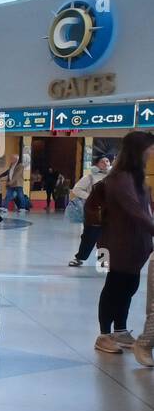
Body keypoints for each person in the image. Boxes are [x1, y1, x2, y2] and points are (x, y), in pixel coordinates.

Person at [93, 131, 154, 356]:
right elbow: (135, 211)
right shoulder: (120, 178)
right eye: (150, 148)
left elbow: (146, 210)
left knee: (129, 286)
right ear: (138, 150)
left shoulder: (136, 177)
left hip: (134, 245)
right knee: (114, 287)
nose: (152, 152)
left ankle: (120, 330)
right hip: (113, 245)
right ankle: (104, 335)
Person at [70, 154, 113, 266]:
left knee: (106, 237)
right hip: (94, 212)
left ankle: (103, 260)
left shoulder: (114, 177)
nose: (105, 163)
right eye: (102, 161)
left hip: (110, 212)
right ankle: (80, 258)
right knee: (89, 236)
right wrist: (90, 197)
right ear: (97, 164)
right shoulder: (90, 177)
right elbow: (76, 189)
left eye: (107, 161)